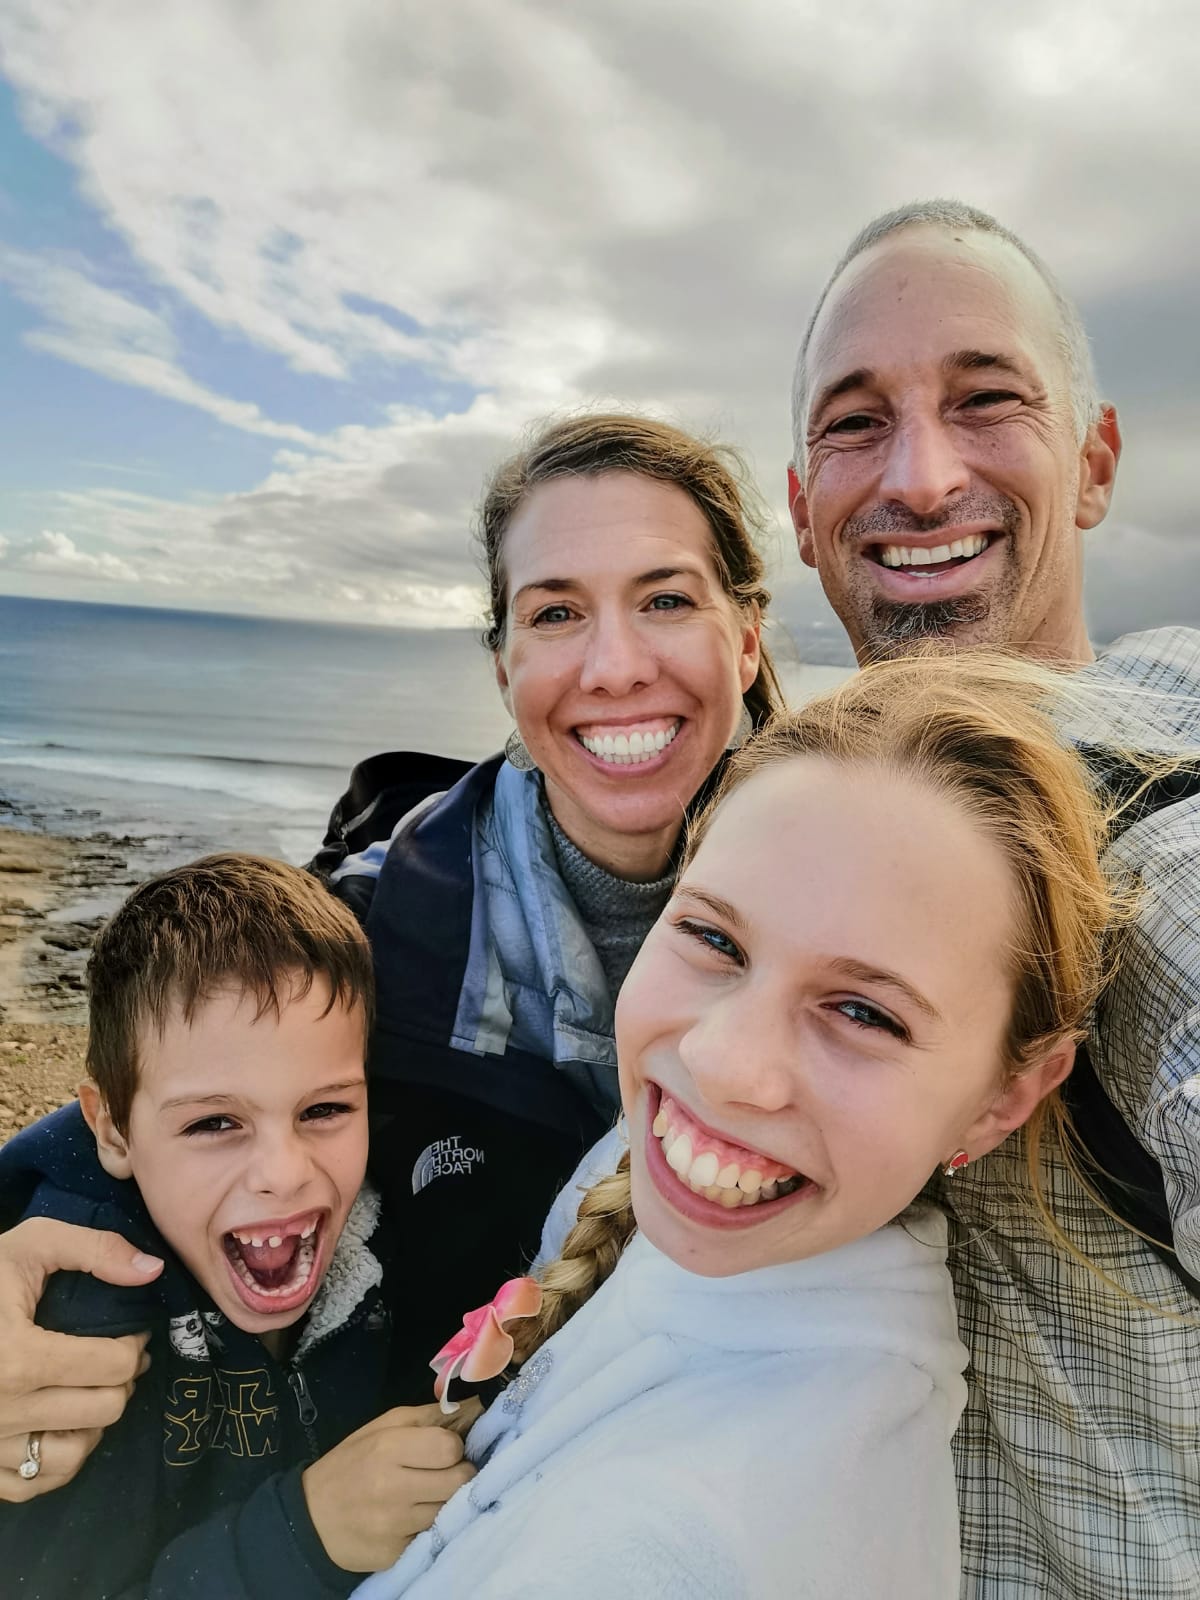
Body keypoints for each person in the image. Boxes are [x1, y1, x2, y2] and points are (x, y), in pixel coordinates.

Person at [0, 413, 783, 1485]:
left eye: (666, 599)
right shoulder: (386, 922)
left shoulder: (849, 909)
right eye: (556, 612)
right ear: (503, 665)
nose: (613, 665)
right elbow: (161, 1101)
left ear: (747, 638)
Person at [350, 653, 1128, 1599]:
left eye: (864, 1013)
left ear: (1006, 1099)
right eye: (714, 938)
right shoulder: (712, 1209)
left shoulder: (682, 1544)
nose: (723, 1062)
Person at [787, 201, 1200, 1598]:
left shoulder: (1158, 832)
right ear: (800, 511)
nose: (919, 477)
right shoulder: (803, 829)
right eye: (856, 423)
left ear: (1094, 463)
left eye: (986, 400)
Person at [0, 855, 476, 1597]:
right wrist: (305, 1534)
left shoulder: (386, 1236)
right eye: (215, 1123)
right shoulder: (77, 1334)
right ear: (113, 1131)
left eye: (324, 1109)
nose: (283, 1172)